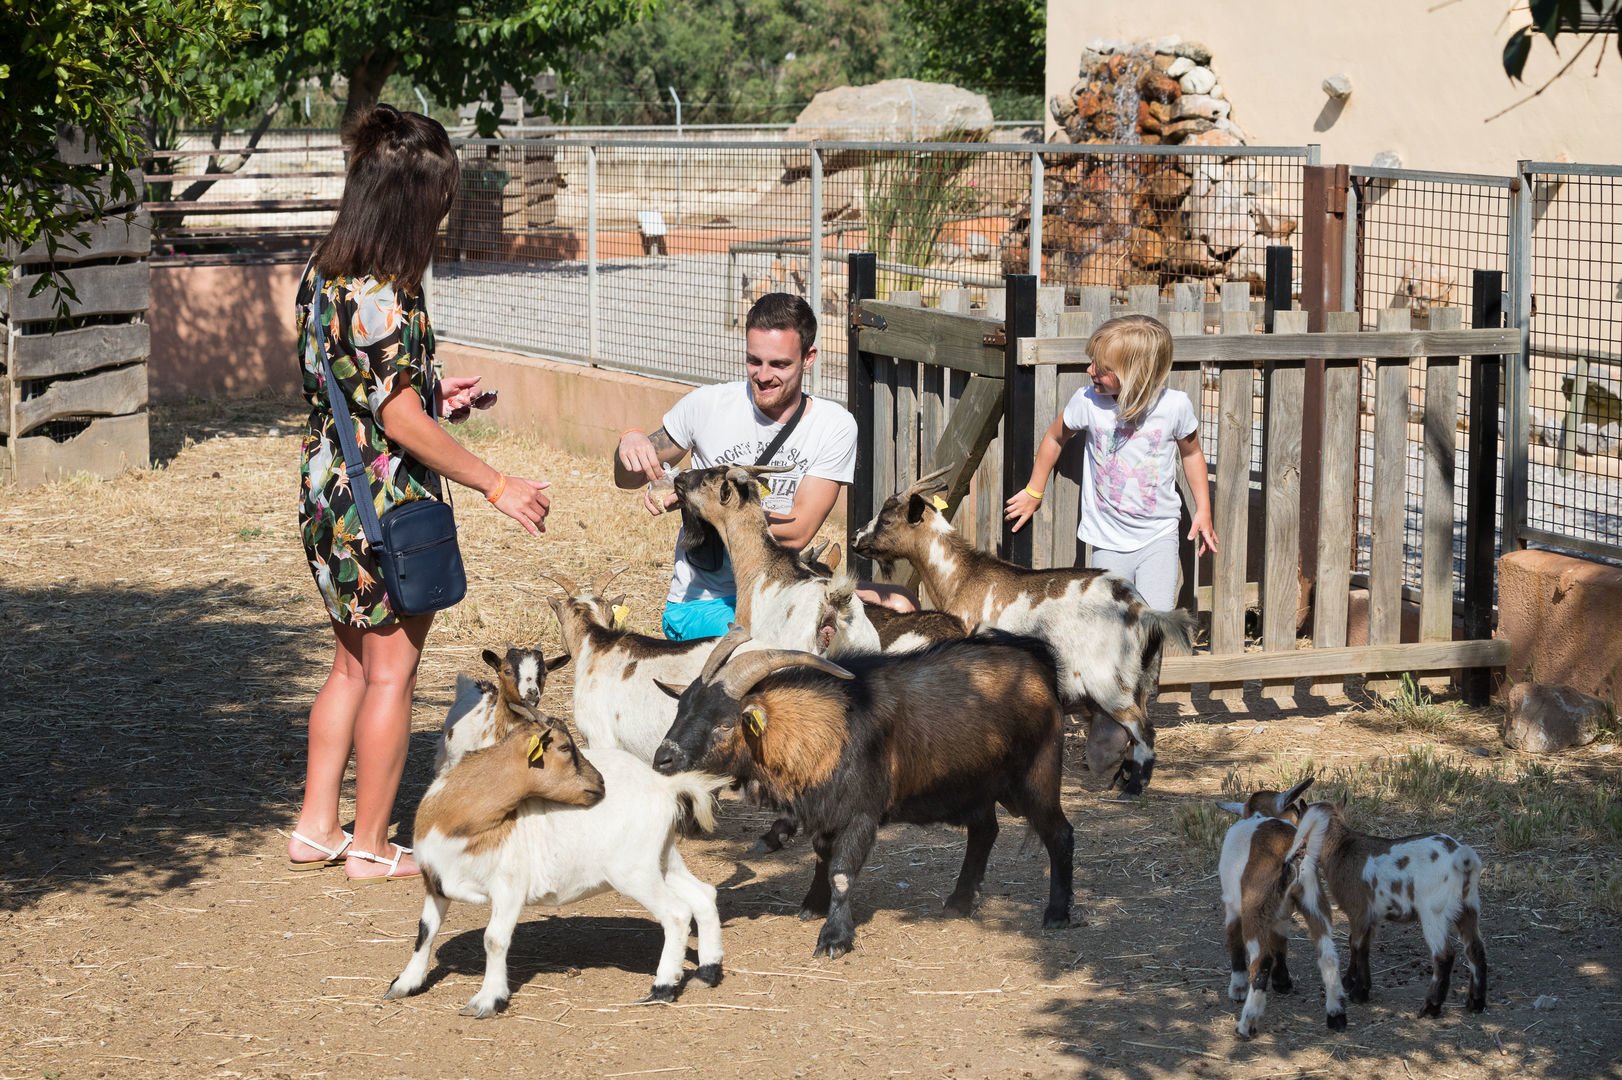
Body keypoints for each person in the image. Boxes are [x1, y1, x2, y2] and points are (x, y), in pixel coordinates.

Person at [286, 104, 552, 884]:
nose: (442, 215)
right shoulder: (389, 294)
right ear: (410, 201)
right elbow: (397, 418)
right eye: (438, 201)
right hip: (386, 505)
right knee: (392, 675)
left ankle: (315, 826)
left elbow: (357, 386)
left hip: (328, 492)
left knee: (348, 669)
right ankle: (371, 843)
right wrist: (495, 481)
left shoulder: (323, 273)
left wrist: (435, 392)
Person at [614, 293, 910, 640]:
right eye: (754, 361)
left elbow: (799, 529)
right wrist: (630, 441)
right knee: (773, 643)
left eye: (779, 364)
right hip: (704, 602)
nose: (763, 376)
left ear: (808, 358)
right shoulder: (707, 406)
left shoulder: (834, 426)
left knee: (902, 607)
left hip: (783, 590)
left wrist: (706, 505)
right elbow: (626, 479)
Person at [1004, 314, 1217, 610]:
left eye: (1102, 369)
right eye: (1093, 362)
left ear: (1134, 374)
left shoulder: (1174, 406)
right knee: (1111, 624)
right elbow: (1055, 438)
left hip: (1159, 536)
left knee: (1154, 622)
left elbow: (1192, 454)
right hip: (1107, 539)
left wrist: (1203, 509)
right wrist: (1034, 491)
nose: (1089, 370)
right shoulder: (1088, 401)